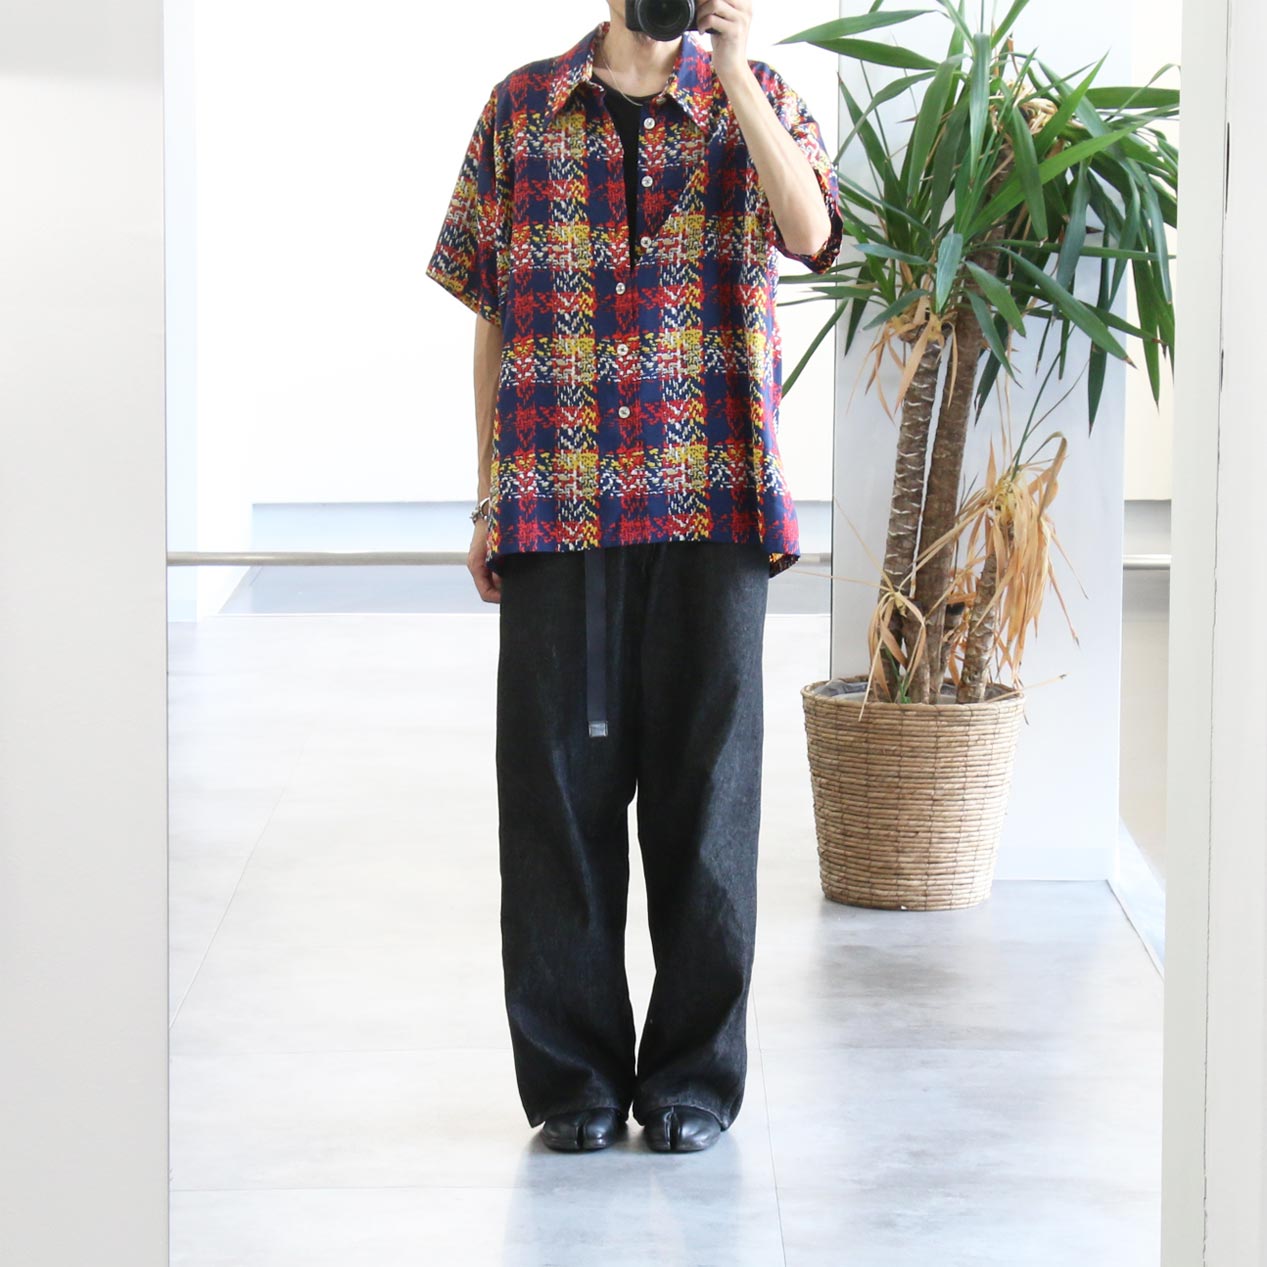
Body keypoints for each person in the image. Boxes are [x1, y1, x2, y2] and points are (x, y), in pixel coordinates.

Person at [425, 0, 842, 1153]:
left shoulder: (758, 100)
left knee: (709, 797)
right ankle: (573, 1082)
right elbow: (492, 312)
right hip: (557, 494)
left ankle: (693, 1081)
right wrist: (488, 491)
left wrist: (737, 72)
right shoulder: (521, 110)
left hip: (713, 494)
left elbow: (812, 232)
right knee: (553, 799)